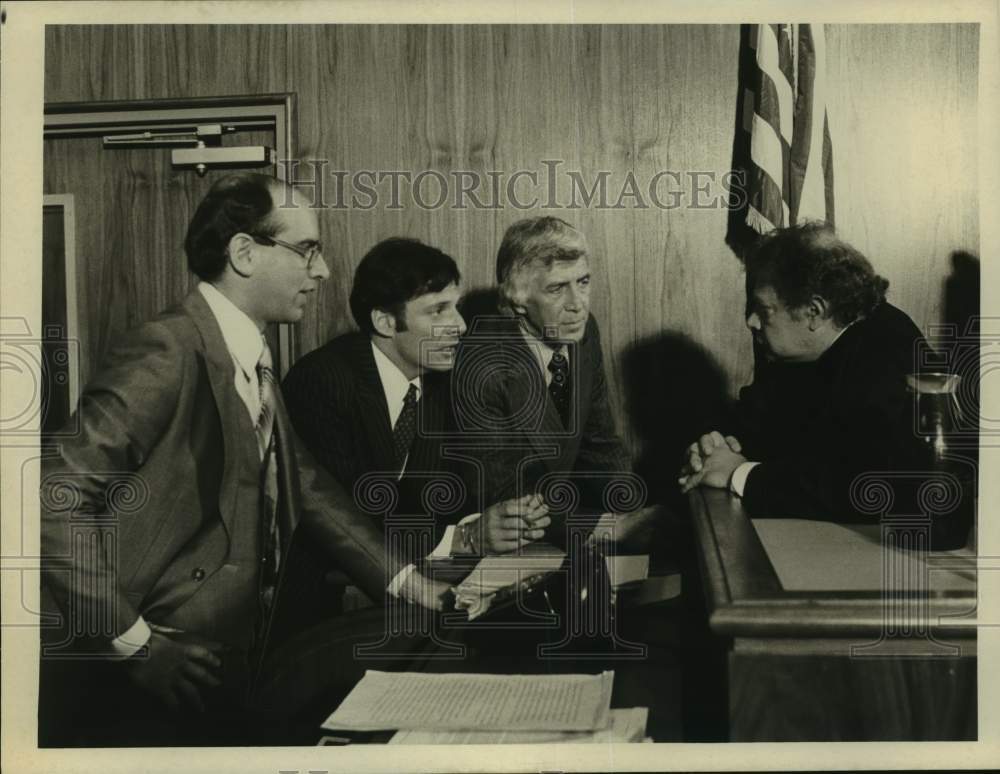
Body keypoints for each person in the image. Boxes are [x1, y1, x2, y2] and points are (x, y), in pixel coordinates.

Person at [38, 173, 447, 746]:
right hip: (154, 675)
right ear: (245, 253)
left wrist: (405, 581)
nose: (323, 271)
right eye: (307, 250)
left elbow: (304, 482)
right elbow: (50, 497)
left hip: (229, 664)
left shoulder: (250, 356)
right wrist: (134, 644)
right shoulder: (169, 349)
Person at [281, 237, 550, 592]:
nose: (460, 326)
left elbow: (458, 491)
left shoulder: (446, 381)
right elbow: (347, 522)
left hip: (411, 581)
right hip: (324, 593)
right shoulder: (322, 381)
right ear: (386, 322)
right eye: (437, 310)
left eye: (455, 307)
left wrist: (508, 518)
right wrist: (466, 537)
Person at [679, 221, 928, 521]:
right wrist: (715, 445)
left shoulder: (886, 354)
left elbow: (861, 485)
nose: (751, 322)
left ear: (815, 311)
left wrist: (737, 473)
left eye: (763, 310)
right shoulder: (803, 348)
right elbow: (759, 424)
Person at [453, 216, 640, 546]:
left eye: (583, 282)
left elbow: (600, 445)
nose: (577, 305)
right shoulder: (481, 364)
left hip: (566, 524)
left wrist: (634, 515)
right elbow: (504, 499)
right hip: (500, 542)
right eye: (556, 289)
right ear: (518, 299)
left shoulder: (583, 332)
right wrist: (605, 528)